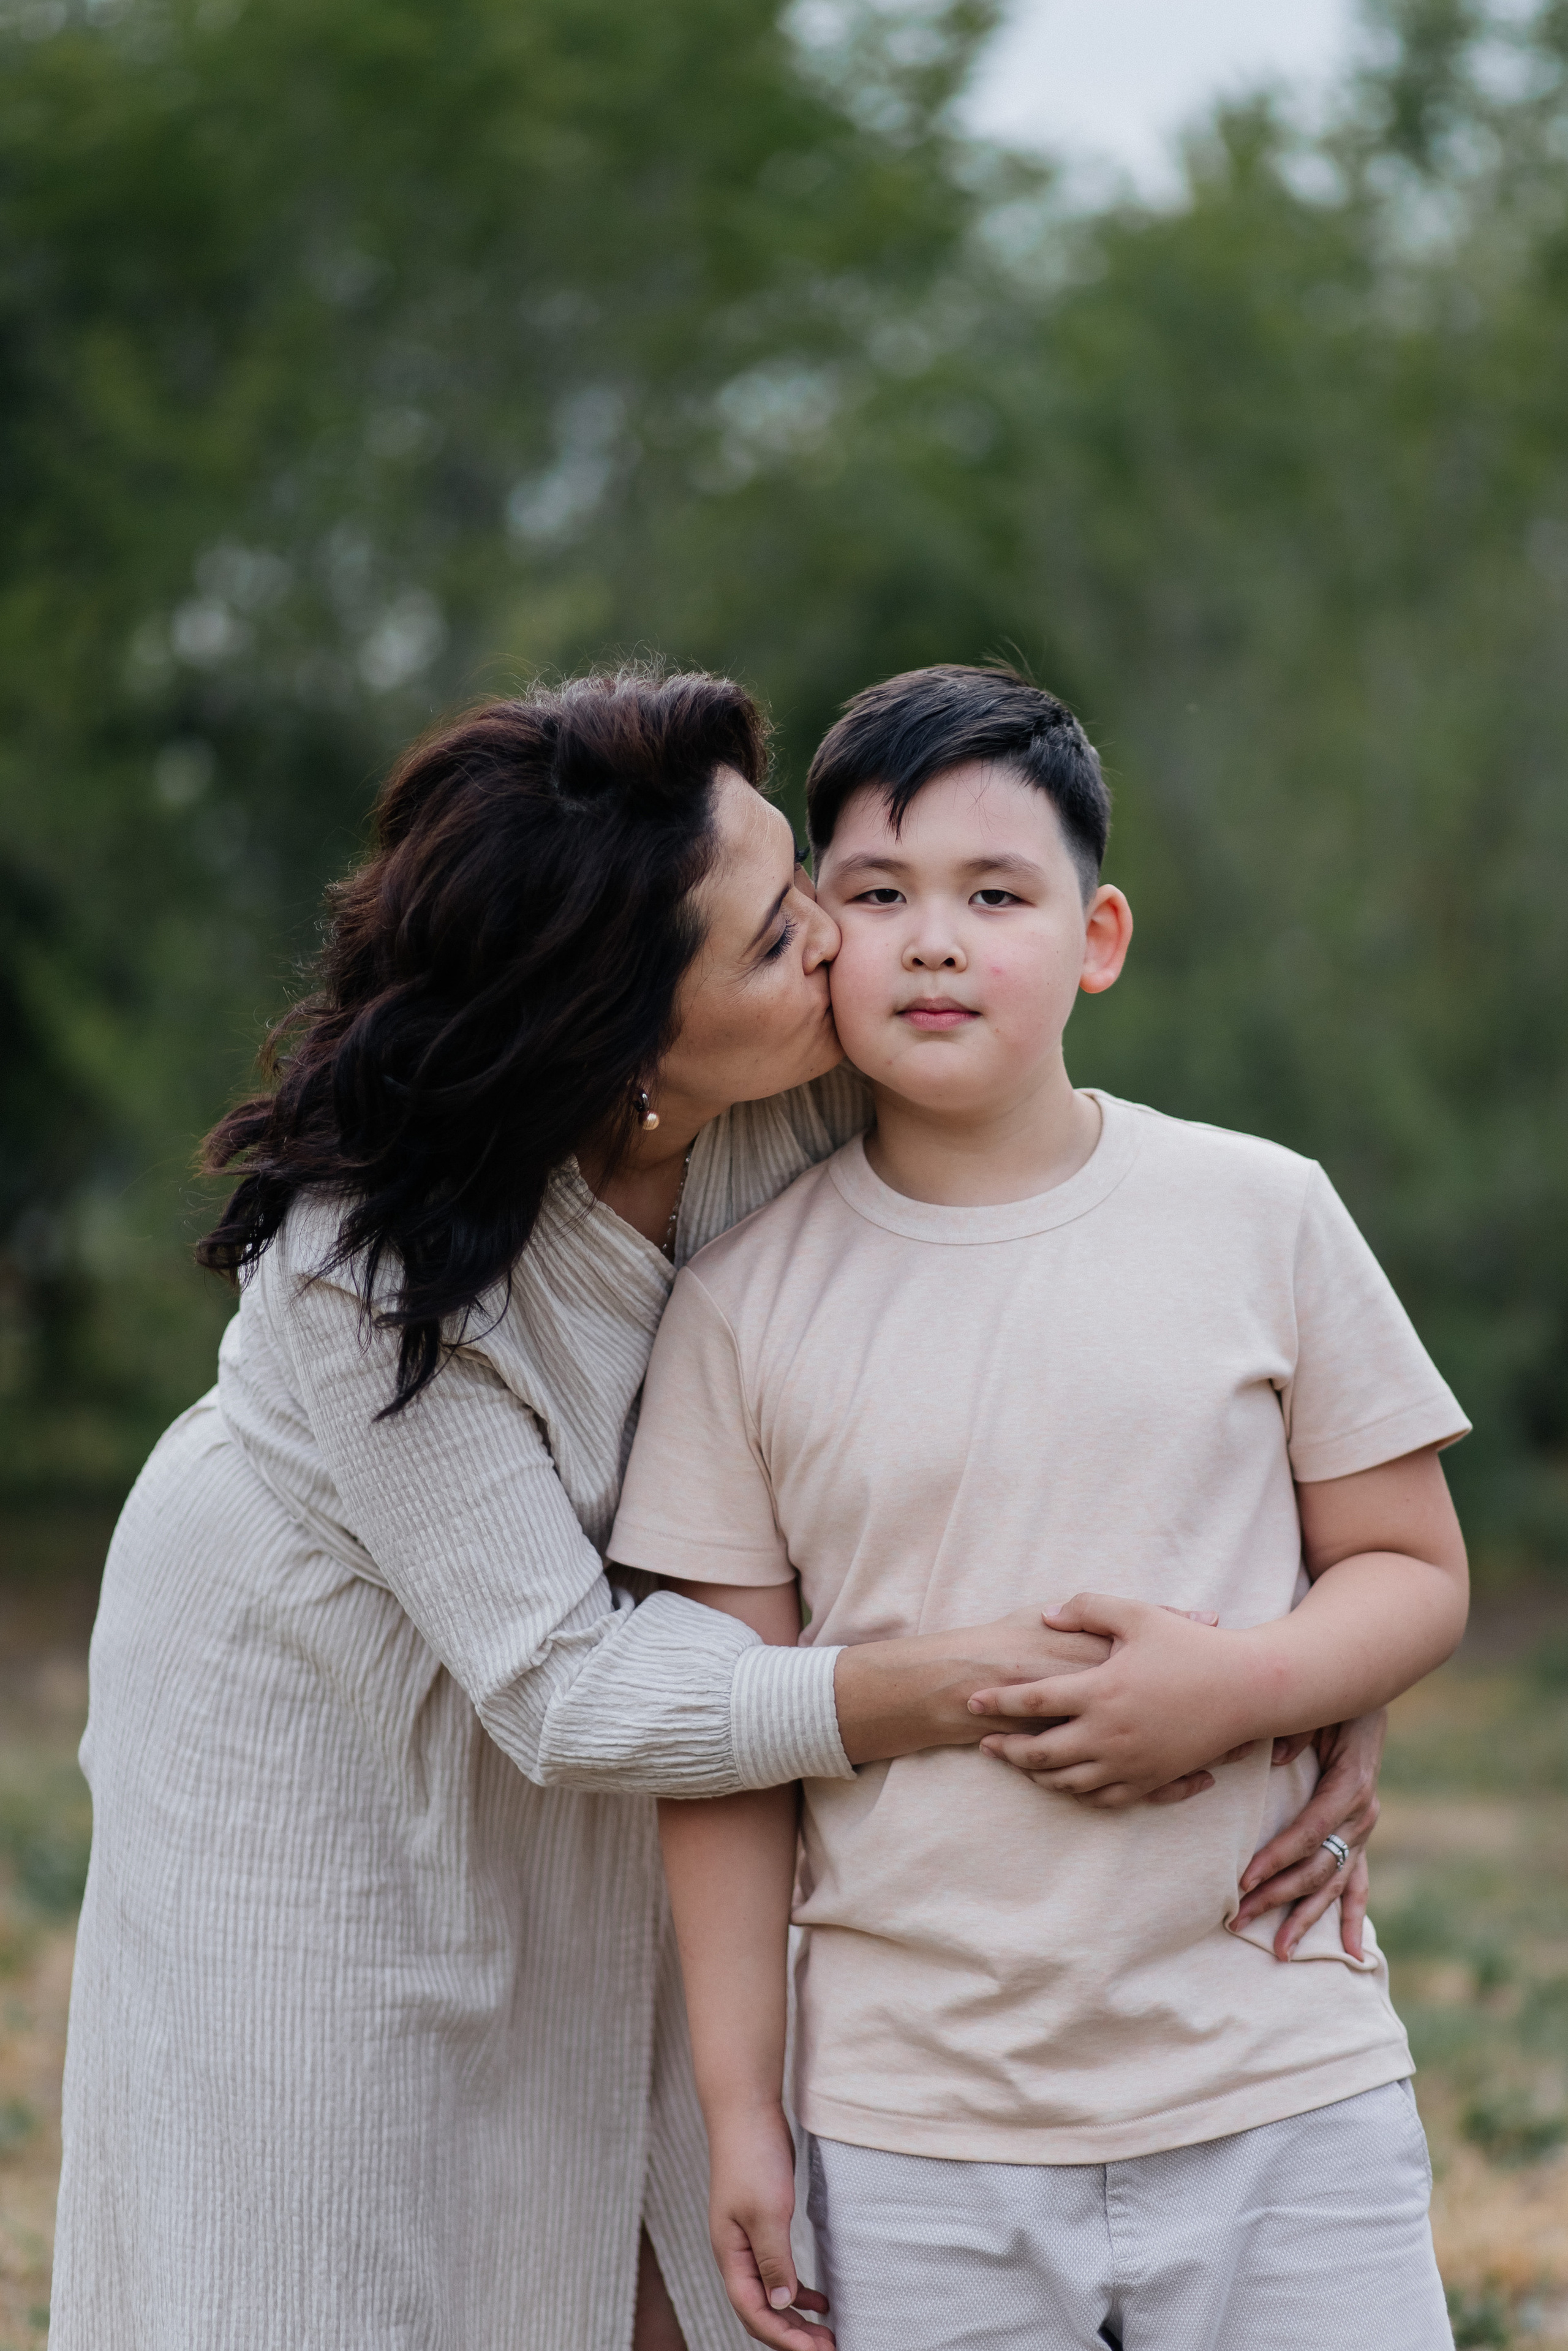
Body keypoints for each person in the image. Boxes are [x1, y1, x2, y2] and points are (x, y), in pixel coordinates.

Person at [52, 668, 1386, 2351]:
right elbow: (564, 1691)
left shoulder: (808, 1089)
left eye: (801, 888)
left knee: (671, 2215)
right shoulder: (356, 1259)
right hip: (329, 1697)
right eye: (778, 941)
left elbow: (1078, 1340)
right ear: (622, 1040)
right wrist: (976, 1683)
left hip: (690, 1690)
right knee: (335, 2228)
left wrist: (1309, 1672)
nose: (844, 947)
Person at [611, 664, 1470, 2351]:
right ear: (817, 935)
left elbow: (1412, 1566)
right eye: (877, 894)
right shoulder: (736, 1304)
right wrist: (739, 2110)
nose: (935, 940)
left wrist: (1248, 1685)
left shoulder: (1259, 1212)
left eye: (996, 895)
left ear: (1100, 937)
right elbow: (724, 1742)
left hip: (1277, 2075)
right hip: (916, 2123)